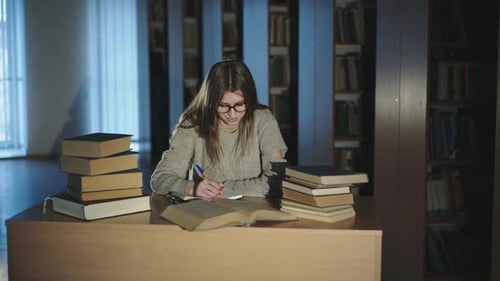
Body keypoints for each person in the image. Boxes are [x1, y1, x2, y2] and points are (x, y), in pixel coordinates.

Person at [150, 59, 287, 201]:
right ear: (210, 101)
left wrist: (222, 190)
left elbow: (276, 181)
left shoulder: (263, 119)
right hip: (211, 214)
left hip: (256, 211)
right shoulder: (193, 125)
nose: (232, 114)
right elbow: (160, 179)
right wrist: (192, 188)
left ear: (250, 99)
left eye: (240, 104)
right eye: (223, 105)